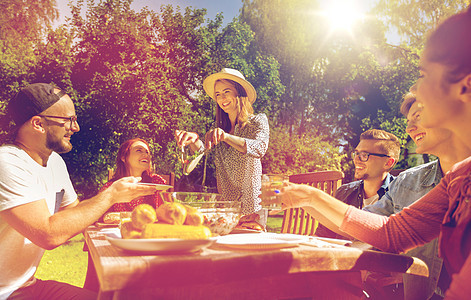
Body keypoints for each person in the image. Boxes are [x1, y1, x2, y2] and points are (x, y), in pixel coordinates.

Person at [271, 6, 471, 299]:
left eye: (425, 75)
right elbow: (393, 233)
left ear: (466, 85)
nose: (417, 89)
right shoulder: (459, 178)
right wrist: (309, 196)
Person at [0, 83, 159, 300]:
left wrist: (127, 220)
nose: (76, 128)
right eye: (68, 120)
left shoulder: (54, 162)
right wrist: (111, 194)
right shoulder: (7, 163)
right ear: (38, 124)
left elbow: (77, 214)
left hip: (27, 286)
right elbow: (48, 234)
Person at [363, 92, 471, 299]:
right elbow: (381, 227)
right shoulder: (411, 180)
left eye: (419, 116)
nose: (409, 128)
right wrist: (310, 199)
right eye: (408, 120)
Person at [175, 68, 270, 218]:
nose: (222, 98)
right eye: (218, 94)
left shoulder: (257, 121)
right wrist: (193, 141)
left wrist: (226, 137)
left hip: (252, 209)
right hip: (226, 210)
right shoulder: (219, 130)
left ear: (239, 92)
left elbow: (259, 148)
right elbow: (200, 155)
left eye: (226, 92)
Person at [316, 129, 400, 240]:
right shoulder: (344, 192)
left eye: (364, 155)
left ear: (388, 162)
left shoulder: (400, 195)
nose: (356, 160)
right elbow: (322, 235)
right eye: (356, 154)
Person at [100, 138, 167, 216]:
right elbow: (101, 218)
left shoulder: (156, 182)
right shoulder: (110, 187)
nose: (146, 155)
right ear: (123, 157)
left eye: (147, 152)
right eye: (139, 150)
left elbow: (165, 214)